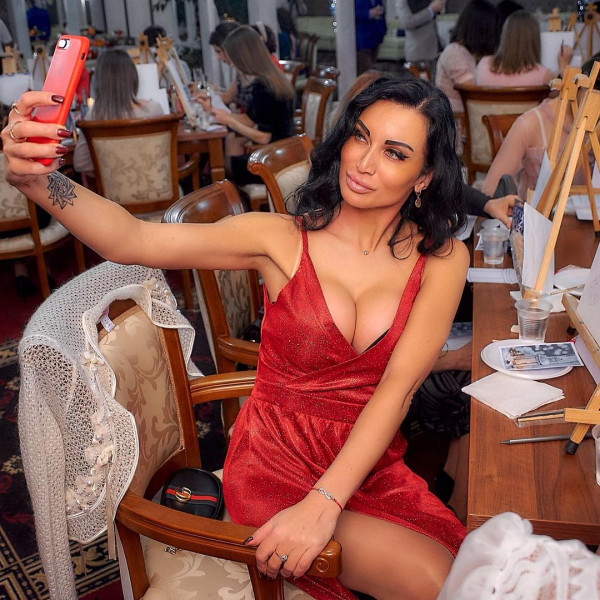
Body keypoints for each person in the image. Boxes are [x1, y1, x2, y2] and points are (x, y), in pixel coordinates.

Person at [4, 75, 469, 599]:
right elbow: (131, 238)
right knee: (437, 581)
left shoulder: (443, 259)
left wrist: (326, 500)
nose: (363, 162)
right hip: (274, 460)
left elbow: (398, 391)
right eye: (360, 137)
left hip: (369, 460)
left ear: (425, 176)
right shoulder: (278, 237)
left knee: (465, 568)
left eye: (394, 153)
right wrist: (39, 181)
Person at [481, 51, 597, 201]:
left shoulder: (594, 127)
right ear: (582, 88)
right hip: (534, 212)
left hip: (585, 212)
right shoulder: (530, 124)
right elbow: (490, 192)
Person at [198, 26, 294, 186]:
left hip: (275, 160)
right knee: (229, 149)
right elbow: (251, 120)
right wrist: (220, 115)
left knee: (221, 164)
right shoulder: (269, 79)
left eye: (233, 60)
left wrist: (229, 120)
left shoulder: (263, 87)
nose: (232, 64)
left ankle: (232, 198)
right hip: (282, 152)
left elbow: (264, 137)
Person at [73, 49, 163, 178]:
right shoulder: (153, 109)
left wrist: (113, 168)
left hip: (110, 190)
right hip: (157, 187)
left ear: (99, 81)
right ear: (133, 76)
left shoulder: (93, 116)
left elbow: (80, 163)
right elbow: (164, 156)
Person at [435, 0, 499, 114]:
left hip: (469, 115)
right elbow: (472, 93)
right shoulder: (455, 53)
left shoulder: (469, 53)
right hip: (458, 119)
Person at [475, 9, 566, 86]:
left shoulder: (483, 66)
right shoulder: (544, 76)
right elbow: (563, 95)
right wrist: (563, 66)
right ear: (534, 41)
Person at [397, 0, 446, 78]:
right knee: (421, 84)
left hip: (434, 50)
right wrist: (430, 10)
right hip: (418, 53)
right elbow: (406, 22)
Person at [355, 0, 387, 74]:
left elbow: (381, 14)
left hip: (376, 36)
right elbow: (353, 14)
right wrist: (369, 13)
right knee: (366, 70)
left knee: (371, 65)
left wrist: (383, 31)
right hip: (362, 39)